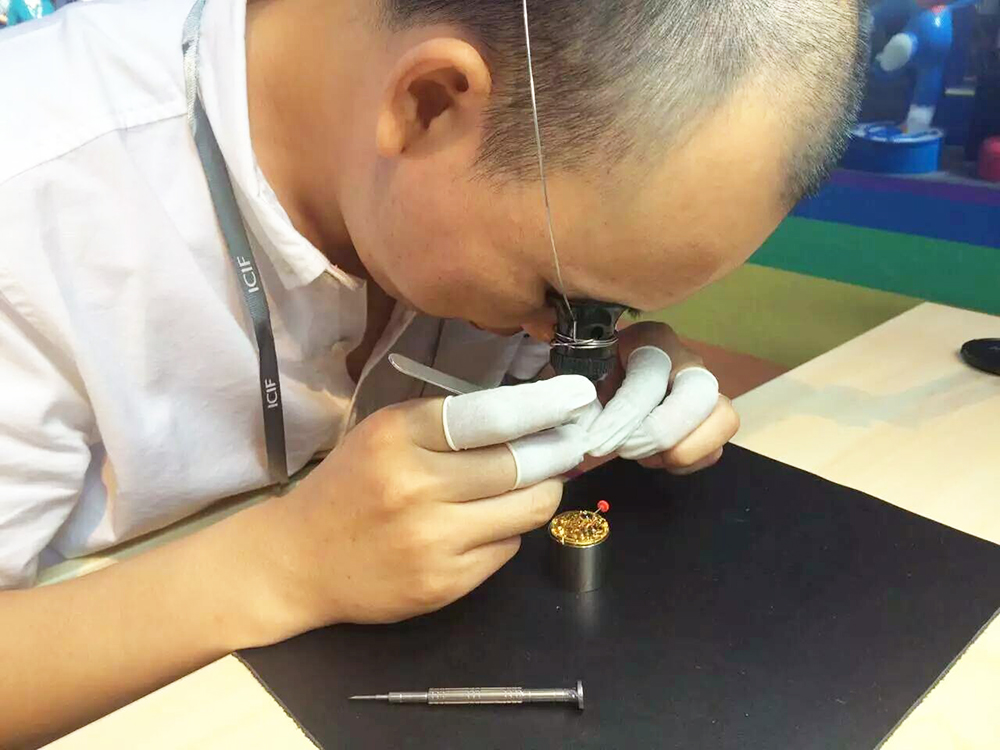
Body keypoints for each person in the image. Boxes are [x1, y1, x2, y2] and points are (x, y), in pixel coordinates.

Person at [0, 0, 866, 744]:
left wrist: (612, 376)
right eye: (564, 301)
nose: (560, 336)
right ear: (428, 103)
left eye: (613, 315)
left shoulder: (507, 176)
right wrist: (281, 567)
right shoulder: (35, 191)